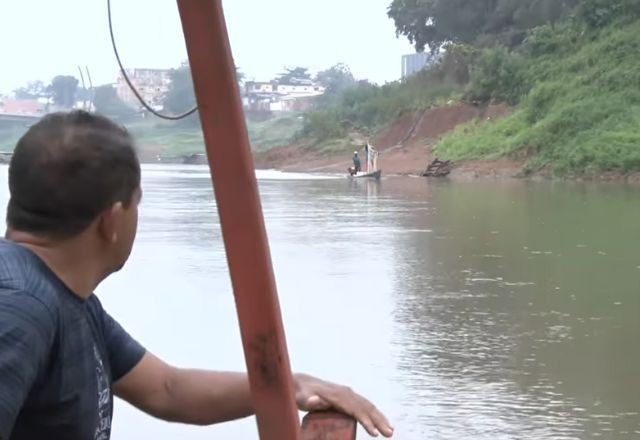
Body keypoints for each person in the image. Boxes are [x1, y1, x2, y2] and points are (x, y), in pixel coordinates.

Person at [0, 111, 394, 440]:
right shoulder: (20, 308)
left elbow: (168, 390)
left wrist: (292, 385)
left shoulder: (70, 302)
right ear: (113, 219)